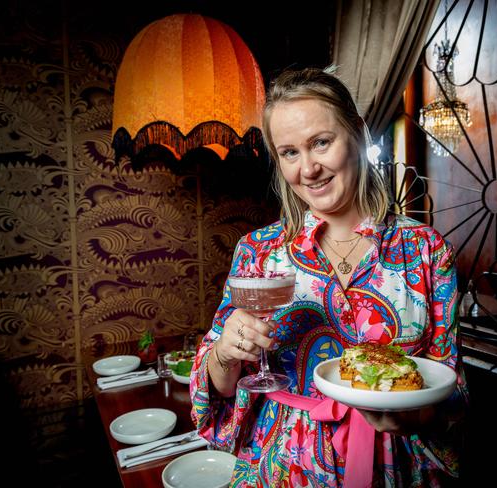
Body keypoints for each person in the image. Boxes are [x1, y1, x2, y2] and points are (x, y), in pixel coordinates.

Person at [190, 67, 468, 487]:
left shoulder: (428, 250)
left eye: (321, 142)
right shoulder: (258, 252)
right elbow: (220, 389)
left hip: (396, 465)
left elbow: (453, 388)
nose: (309, 169)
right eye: (289, 153)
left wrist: (414, 413)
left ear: (356, 131)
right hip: (284, 467)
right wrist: (225, 353)